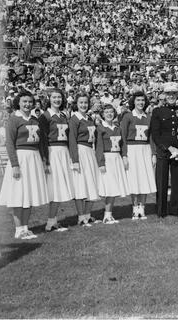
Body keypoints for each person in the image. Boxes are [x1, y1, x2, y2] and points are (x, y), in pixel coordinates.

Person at [0, 90, 49, 240]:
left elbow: (41, 143)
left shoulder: (35, 120)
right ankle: (18, 229)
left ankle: (26, 227)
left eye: (30, 102)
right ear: (18, 103)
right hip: (20, 158)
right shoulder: (13, 119)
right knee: (18, 194)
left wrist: (44, 161)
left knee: (29, 194)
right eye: (24, 101)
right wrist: (15, 164)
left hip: (34, 158)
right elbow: (9, 144)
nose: (27, 104)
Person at [38, 88, 74, 232]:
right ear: (49, 99)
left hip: (63, 152)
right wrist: (45, 159)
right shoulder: (45, 116)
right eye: (54, 97)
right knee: (54, 188)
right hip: (52, 152)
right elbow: (43, 140)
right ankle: (50, 222)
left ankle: (52, 221)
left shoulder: (64, 115)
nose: (57, 100)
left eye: (59, 97)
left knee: (59, 188)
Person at [151, 82, 178, 217]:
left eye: (174, 94)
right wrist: (169, 148)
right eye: (169, 94)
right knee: (161, 182)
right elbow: (155, 133)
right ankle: (161, 211)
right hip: (164, 152)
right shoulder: (157, 111)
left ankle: (175, 210)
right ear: (164, 95)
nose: (171, 96)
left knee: (177, 182)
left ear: (177, 95)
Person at [120, 90, 157, 220]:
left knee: (144, 179)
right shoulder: (128, 116)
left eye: (142, 100)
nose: (140, 102)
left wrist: (154, 153)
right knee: (134, 179)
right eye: (138, 100)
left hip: (145, 149)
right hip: (132, 149)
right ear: (133, 102)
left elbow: (152, 137)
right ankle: (135, 207)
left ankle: (142, 207)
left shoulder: (149, 117)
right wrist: (124, 155)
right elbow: (122, 136)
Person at [68, 93, 101, 227]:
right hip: (80, 151)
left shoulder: (89, 118)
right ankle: (81, 217)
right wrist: (75, 160)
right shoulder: (74, 119)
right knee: (81, 185)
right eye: (81, 102)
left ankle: (88, 214)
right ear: (77, 103)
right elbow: (72, 140)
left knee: (91, 183)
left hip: (90, 152)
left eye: (86, 103)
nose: (83, 105)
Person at [96, 104, 128, 224]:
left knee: (114, 188)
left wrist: (124, 156)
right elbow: (98, 147)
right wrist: (101, 163)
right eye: (106, 112)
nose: (109, 114)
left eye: (111, 112)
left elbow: (123, 144)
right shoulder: (100, 128)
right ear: (102, 115)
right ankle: (106, 215)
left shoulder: (117, 128)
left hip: (116, 158)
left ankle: (109, 214)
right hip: (107, 158)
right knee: (109, 188)